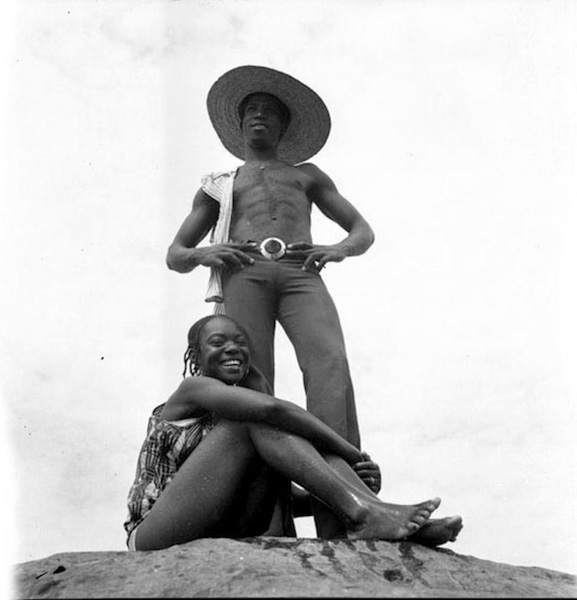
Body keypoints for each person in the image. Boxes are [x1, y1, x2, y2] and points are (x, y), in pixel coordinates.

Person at [166, 66, 374, 536]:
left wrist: (338, 249)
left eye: (269, 112)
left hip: (302, 272)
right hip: (244, 274)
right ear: (239, 127)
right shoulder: (219, 184)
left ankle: (346, 509)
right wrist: (205, 252)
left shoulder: (307, 175)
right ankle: (269, 520)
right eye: (251, 111)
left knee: (330, 370)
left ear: (284, 127)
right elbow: (176, 255)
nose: (259, 116)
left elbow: (362, 231)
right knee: (250, 386)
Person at [124, 314, 463, 551]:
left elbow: (286, 494)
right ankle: (363, 513)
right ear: (194, 356)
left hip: (220, 525)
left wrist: (351, 481)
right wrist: (351, 453)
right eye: (218, 342)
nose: (232, 348)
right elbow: (275, 410)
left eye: (241, 343)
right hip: (155, 532)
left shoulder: (237, 437)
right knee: (262, 421)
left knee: (312, 451)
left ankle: (380, 515)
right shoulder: (192, 390)